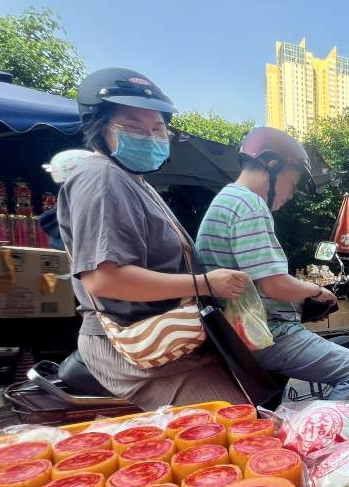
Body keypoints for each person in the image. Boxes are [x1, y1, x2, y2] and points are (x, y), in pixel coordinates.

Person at [56, 67, 252, 408]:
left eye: (157, 127)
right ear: (98, 129)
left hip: (170, 333)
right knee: (240, 425)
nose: (149, 135)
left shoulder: (135, 180)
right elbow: (105, 279)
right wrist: (204, 284)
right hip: (136, 345)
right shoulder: (101, 177)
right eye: (132, 127)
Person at [196, 127, 349, 400]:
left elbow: (256, 282)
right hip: (267, 333)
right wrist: (317, 292)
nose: (290, 194)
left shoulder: (226, 202)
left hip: (242, 331)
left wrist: (301, 299)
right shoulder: (250, 205)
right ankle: (319, 434)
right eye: (291, 184)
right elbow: (274, 285)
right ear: (272, 166)